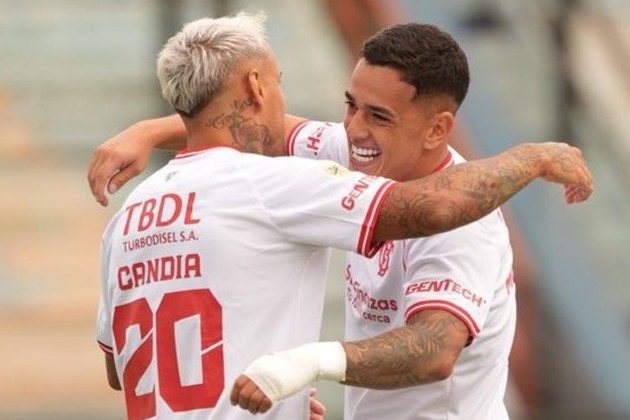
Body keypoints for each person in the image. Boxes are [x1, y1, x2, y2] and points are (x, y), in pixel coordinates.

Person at [92, 13, 593, 420]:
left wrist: (306, 363)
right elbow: (268, 131)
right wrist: (150, 130)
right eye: (351, 106)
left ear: (438, 129)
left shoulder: (468, 223)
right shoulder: (346, 157)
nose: (353, 129)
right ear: (257, 87)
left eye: (379, 115)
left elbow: (435, 349)